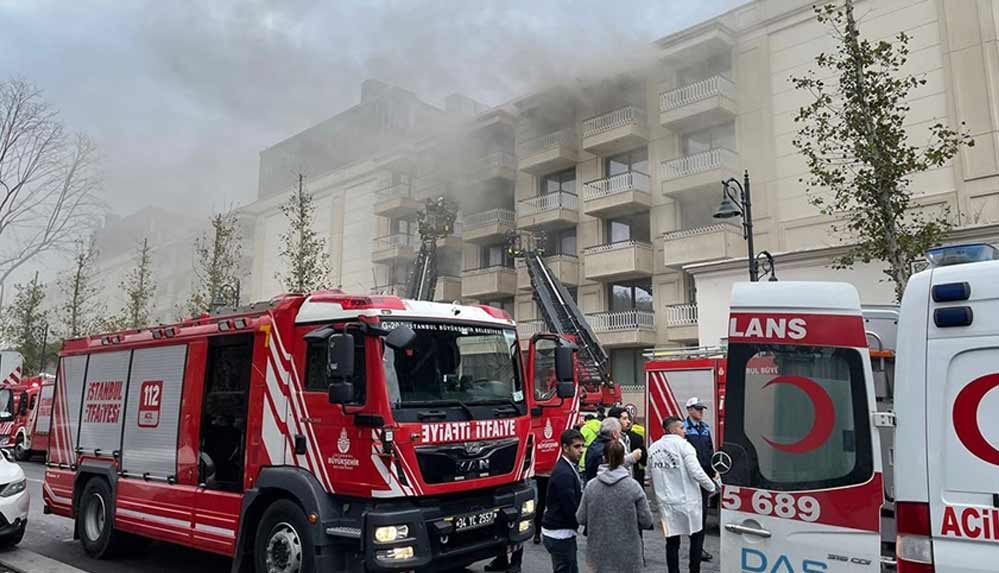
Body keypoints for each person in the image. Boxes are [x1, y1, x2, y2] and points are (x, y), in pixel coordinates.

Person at [650, 416, 717, 573]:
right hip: (688, 502)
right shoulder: (685, 446)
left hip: (665, 503)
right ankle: (694, 570)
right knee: (696, 538)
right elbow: (696, 472)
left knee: (672, 541)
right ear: (673, 429)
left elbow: (650, 474)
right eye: (681, 428)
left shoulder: (653, 448)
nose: (684, 431)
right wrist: (712, 486)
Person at [575, 440, 654, 573]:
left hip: (598, 554)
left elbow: (581, 518)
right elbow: (647, 521)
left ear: (604, 458)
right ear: (623, 459)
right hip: (628, 554)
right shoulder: (633, 486)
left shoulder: (592, 486)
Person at [541, 429, 585, 573]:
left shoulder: (567, 467)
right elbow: (570, 506)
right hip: (560, 533)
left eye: (582, 446)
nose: (581, 450)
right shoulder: (564, 473)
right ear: (565, 448)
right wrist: (582, 520)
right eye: (577, 447)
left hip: (561, 531)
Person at [683, 396, 715, 562]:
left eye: (702, 409)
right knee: (691, 515)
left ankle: (698, 548)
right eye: (697, 409)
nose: (701, 412)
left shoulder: (705, 428)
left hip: (703, 478)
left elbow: (710, 451)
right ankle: (693, 546)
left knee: (702, 514)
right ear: (689, 410)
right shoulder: (683, 429)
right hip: (689, 479)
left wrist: (713, 471)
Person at [583, 417, 641, 483]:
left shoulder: (595, 444)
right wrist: (631, 458)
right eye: (619, 433)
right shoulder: (605, 449)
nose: (620, 436)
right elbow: (610, 469)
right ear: (614, 434)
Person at [609, 406, 646, 486]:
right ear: (615, 421)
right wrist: (633, 457)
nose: (628, 422)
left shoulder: (626, 438)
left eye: (628, 418)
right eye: (624, 419)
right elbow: (611, 465)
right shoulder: (609, 441)